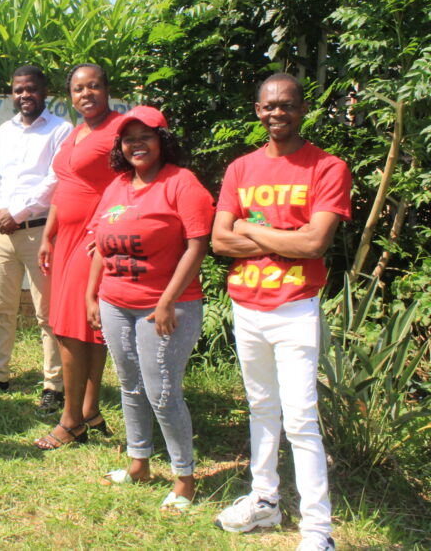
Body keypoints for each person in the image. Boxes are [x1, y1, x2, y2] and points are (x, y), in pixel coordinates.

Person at [212, 74, 350, 551]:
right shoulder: (240, 169)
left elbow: (316, 242)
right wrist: (283, 241)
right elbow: (217, 241)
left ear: (302, 109)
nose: (278, 113)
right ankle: (265, 499)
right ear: (257, 110)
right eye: (269, 106)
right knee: (260, 408)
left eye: (287, 105)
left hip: (295, 308)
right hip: (246, 306)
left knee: (301, 420)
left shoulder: (326, 167)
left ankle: (318, 531)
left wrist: (250, 231)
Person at [84, 106, 213, 512]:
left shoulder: (182, 183)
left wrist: (168, 300)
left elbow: (198, 245)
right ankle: (139, 463)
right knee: (130, 385)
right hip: (115, 302)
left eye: (146, 136)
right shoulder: (117, 186)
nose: (137, 144)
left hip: (167, 308)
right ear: (121, 147)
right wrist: (92, 295)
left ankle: (184, 479)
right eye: (128, 138)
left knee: (163, 393)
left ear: (163, 140)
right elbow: (99, 245)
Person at [0, 65, 71, 414]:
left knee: (48, 313)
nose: (25, 96)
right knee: (1, 307)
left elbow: (54, 180)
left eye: (31, 89)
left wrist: (17, 213)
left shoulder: (60, 131)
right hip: (3, 232)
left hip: (40, 231)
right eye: (19, 90)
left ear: (44, 92)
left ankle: (54, 385)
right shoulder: (5, 131)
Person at [33, 63, 123, 448]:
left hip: (92, 236)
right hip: (65, 236)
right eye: (78, 89)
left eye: (94, 86)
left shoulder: (120, 129)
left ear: (107, 89)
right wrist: (48, 234)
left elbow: (131, 182)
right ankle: (89, 409)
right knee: (84, 325)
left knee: (72, 327)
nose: (86, 94)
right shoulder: (75, 132)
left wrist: (107, 228)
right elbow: (65, 185)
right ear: (69, 95)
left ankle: (70, 421)